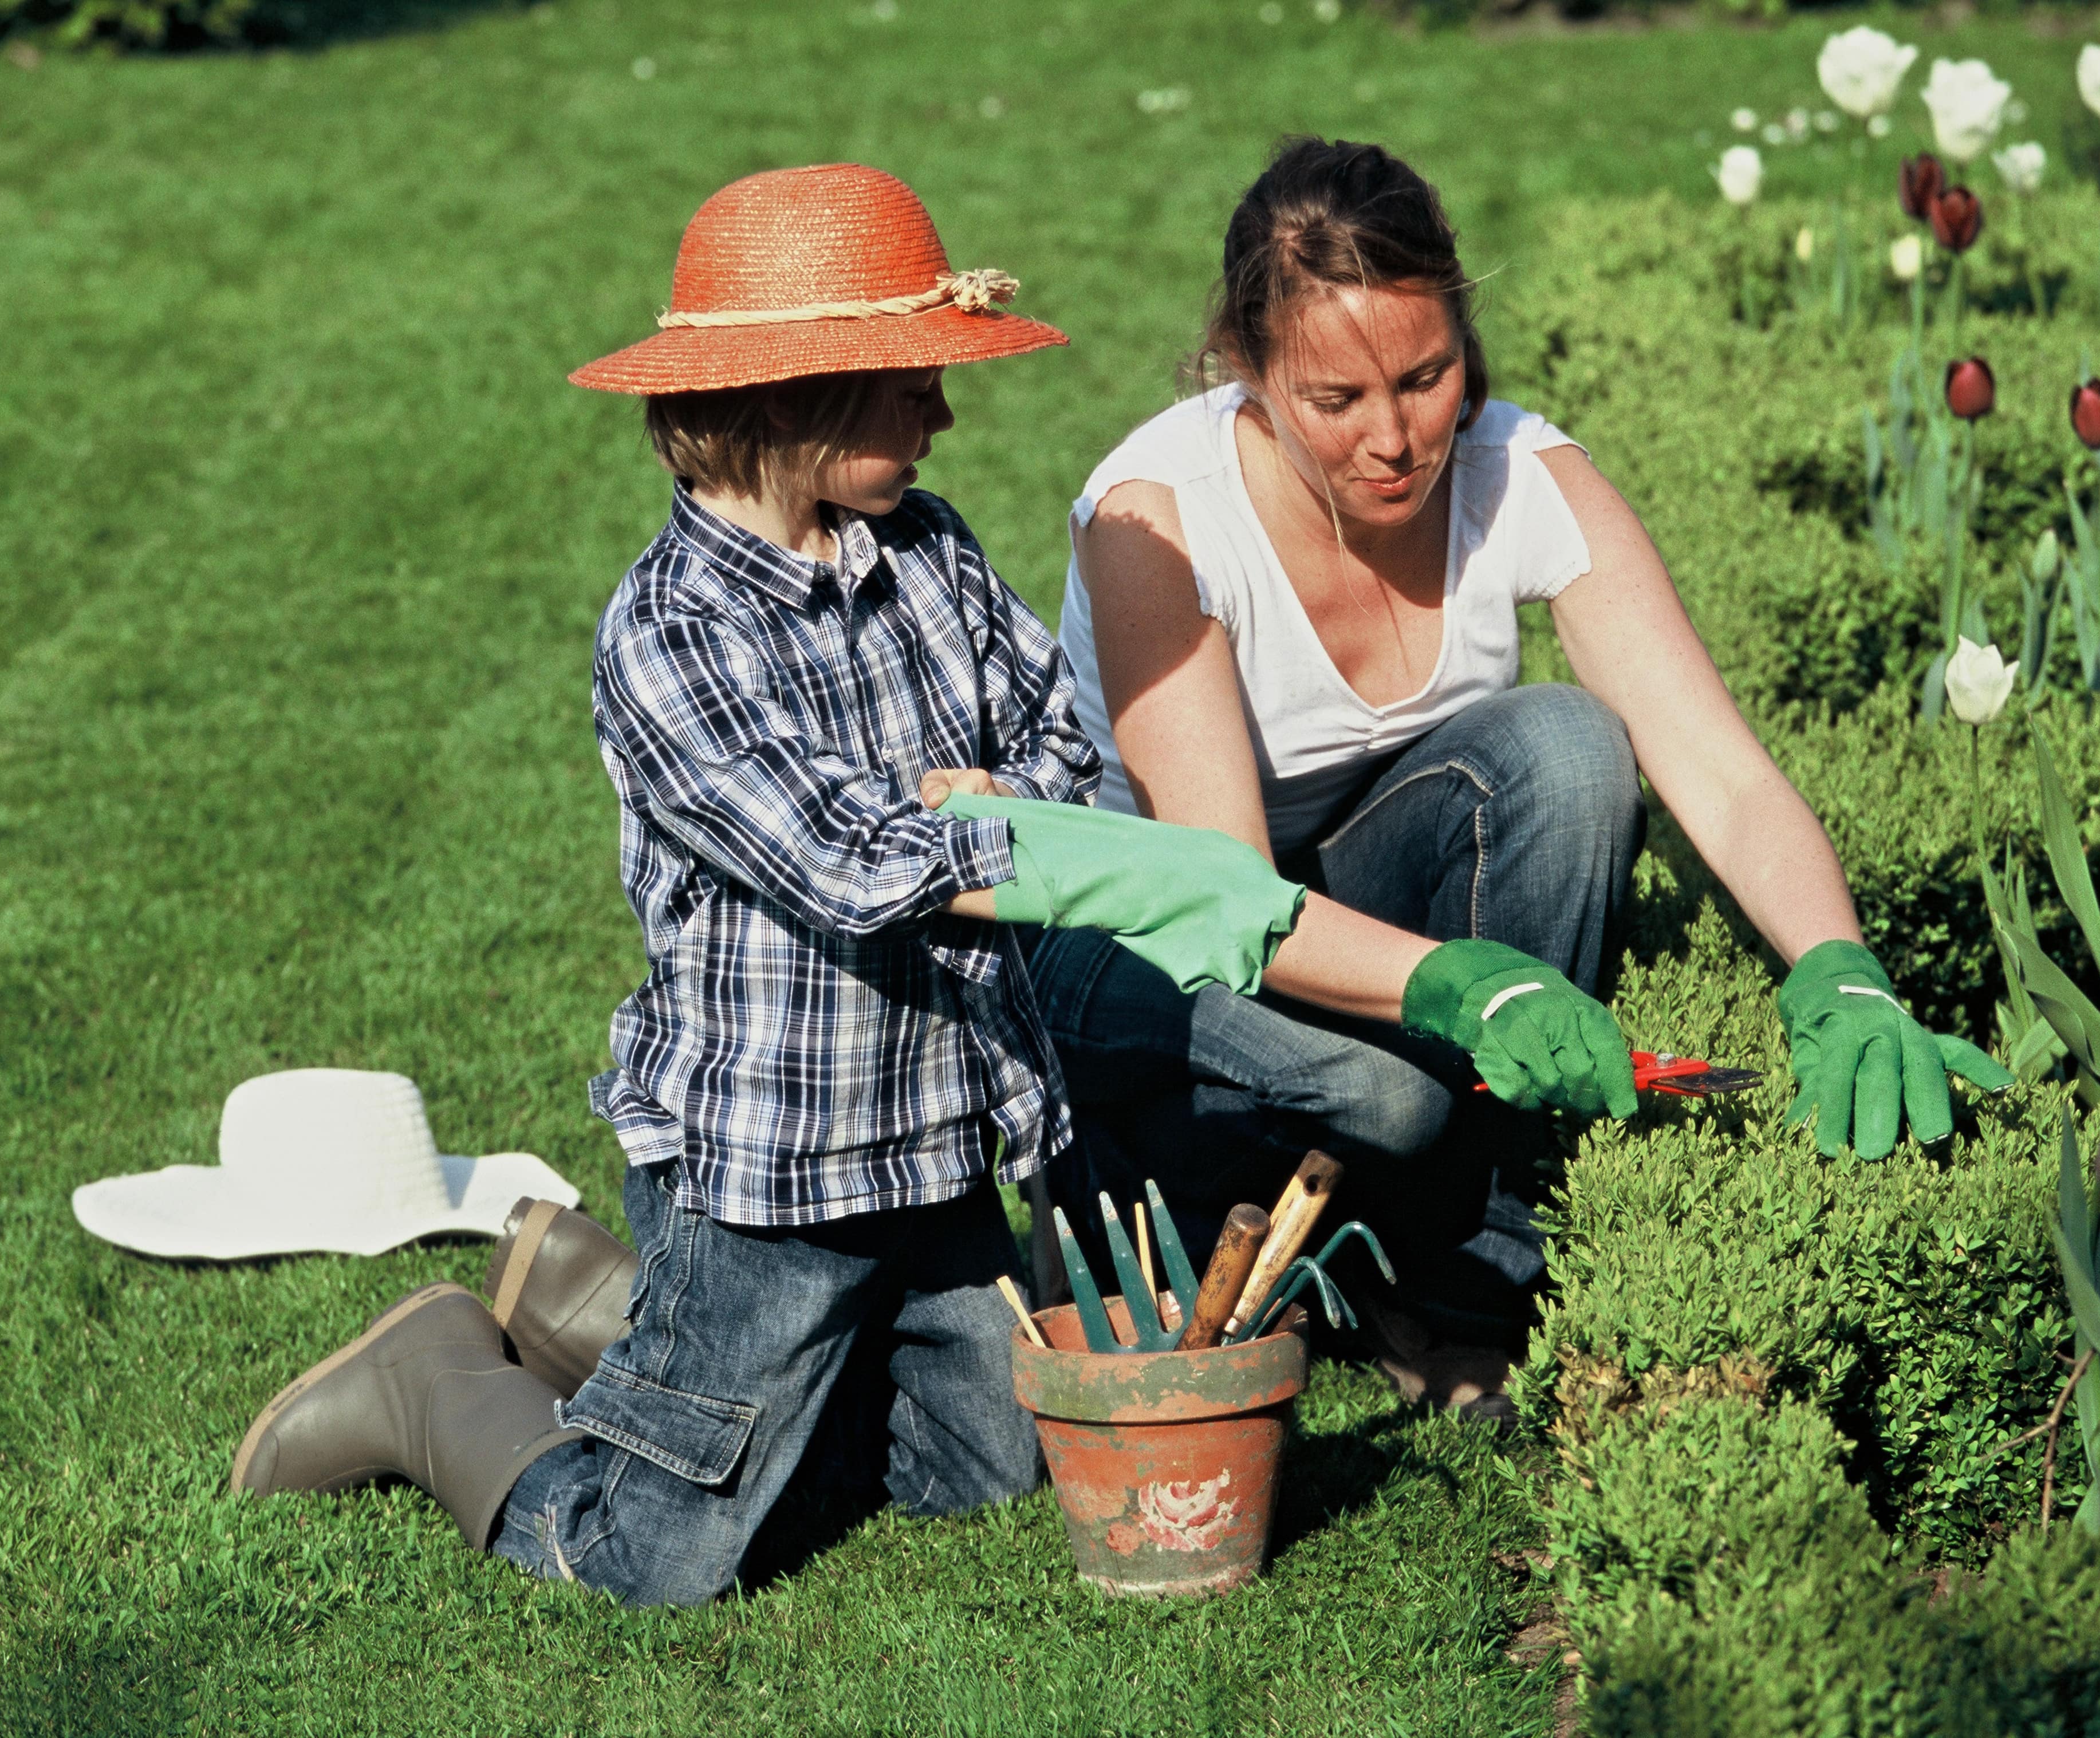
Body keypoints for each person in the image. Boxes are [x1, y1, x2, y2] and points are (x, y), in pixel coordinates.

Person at [225, 164, 1548, 1601]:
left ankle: (609, 1316)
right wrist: (997, 839)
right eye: (912, 381)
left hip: (933, 1149)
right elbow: (851, 863)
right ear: (799, 398)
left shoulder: (930, 551)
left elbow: (1057, 745)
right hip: (774, 1176)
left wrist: (988, 814)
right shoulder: (668, 633)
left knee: (978, 1471)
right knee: (663, 1555)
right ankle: (437, 1388)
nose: (944, 413)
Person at [1034, 138, 2010, 1404]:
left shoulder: (1523, 476)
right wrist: (1462, 986)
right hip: (1141, 935)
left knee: (1563, 744)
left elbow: (1722, 774)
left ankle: (1466, 1278)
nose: (1395, 438)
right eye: (1337, 400)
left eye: (1426, 376)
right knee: (1389, 1098)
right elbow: (1224, 893)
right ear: (1248, 369)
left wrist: (1844, 971)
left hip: (1324, 887)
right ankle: (1199, 1197)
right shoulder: (1159, 515)